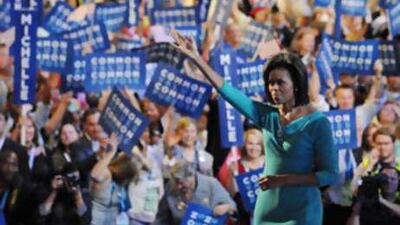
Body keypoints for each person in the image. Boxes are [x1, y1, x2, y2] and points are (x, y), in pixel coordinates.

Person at [172, 32, 339, 225]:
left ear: (296, 84)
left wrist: (284, 180)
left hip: (302, 211)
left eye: (280, 83)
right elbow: (227, 91)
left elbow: (330, 174)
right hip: (268, 209)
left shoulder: (317, 123)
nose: (273, 88)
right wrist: (196, 57)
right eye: (270, 83)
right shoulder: (268, 115)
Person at [153, 159, 237, 225]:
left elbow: (234, 209)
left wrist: (227, 208)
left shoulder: (211, 184)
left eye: (182, 183)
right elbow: (161, 218)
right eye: (176, 182)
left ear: (192, 177)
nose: (178, 186)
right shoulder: (171, 186)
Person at [90, 133, 138, 225]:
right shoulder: (107, 174)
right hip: (95, 220)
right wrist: (112, 151)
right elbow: (94, 174)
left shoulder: (121, 182)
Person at [226, 128, 265, 225]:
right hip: (245, 217)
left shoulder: (269, 163)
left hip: (268, 214)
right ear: (245, 145)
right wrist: (231, 174)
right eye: (250, 143)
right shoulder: (236, 165)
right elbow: (232, 194)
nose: (254, 147)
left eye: (257, 144)